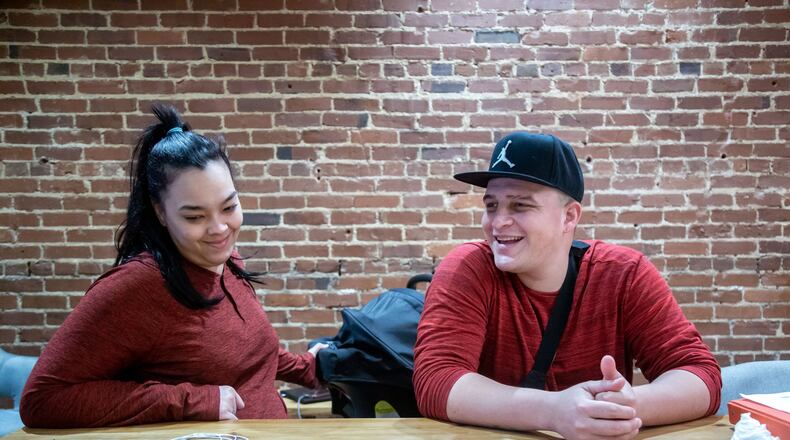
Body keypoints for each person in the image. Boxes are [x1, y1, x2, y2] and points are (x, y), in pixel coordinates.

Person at [20, 104, 326, 428]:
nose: (219, 229)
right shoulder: (139, 285)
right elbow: (43, 399)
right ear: (161, 213)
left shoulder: (226, 261)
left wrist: (309, 368)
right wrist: (191, 400)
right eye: (195, 216)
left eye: (229, 206)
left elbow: (242, 349)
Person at [413, 132, 721, 439]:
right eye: (491, 206)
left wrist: (621, 408)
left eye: (520, 206)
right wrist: (554, 411)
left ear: (568, 217)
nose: (498, 222)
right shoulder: (469, 268)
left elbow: (700, 374)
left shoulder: (624, 274)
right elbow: (437, 381)